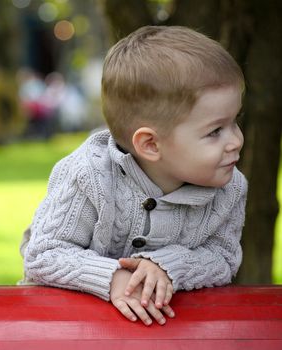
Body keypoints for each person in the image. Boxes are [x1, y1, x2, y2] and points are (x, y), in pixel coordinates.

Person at [20, 26, 247, 326]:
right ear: (151, 144)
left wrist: (166, 266)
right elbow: (43, 253)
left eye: (235, 122)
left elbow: (223, 256)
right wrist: (114, 277)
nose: (236, 141)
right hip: (69, 326)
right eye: (215, 131)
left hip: (172, 330)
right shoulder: (89, 175)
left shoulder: (229, 187)